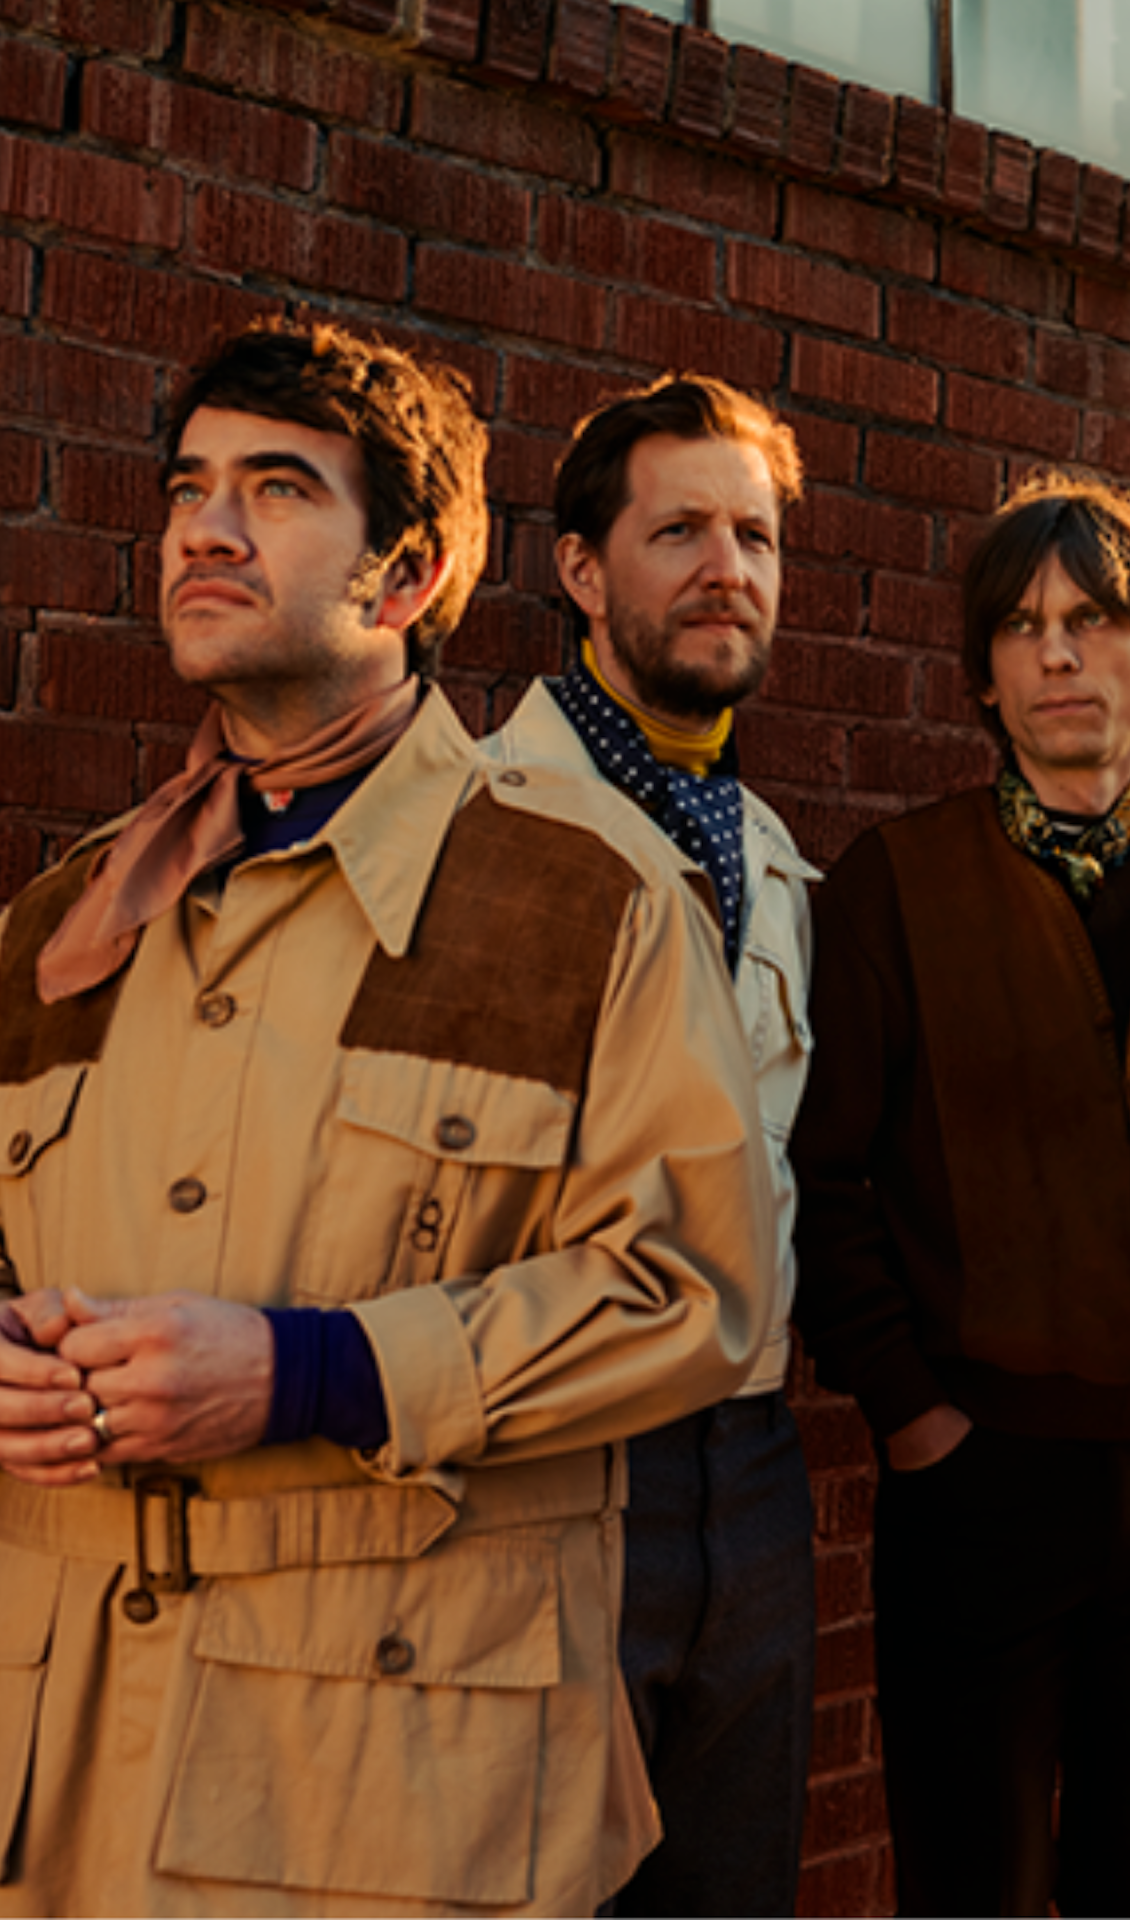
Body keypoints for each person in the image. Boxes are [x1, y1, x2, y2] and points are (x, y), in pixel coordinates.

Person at [0, 322, 775, 1916]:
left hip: (385, 1797)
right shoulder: (62, 920)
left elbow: (700, 1290)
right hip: (61, 1779)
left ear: (408, 577)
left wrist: (309, 1371)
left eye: (277, 490)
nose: (206, 528)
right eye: (190, 488)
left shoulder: (586, 894)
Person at [791, 471, 1130, 1917]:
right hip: (978, 1479)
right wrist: (914, 1416)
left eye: (1098, 619)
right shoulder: (893, 884)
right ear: (985, 676)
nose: (1058, 653)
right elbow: (822, 1172)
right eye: (1023, 625)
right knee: (971, 1886)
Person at [481, 374, 818, 1917]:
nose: (724, 568)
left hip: (748, 1470)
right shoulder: (478, 830)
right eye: (676, 528)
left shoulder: (774, 861)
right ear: (579, 569)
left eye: (751, 534)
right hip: (548, 1473)